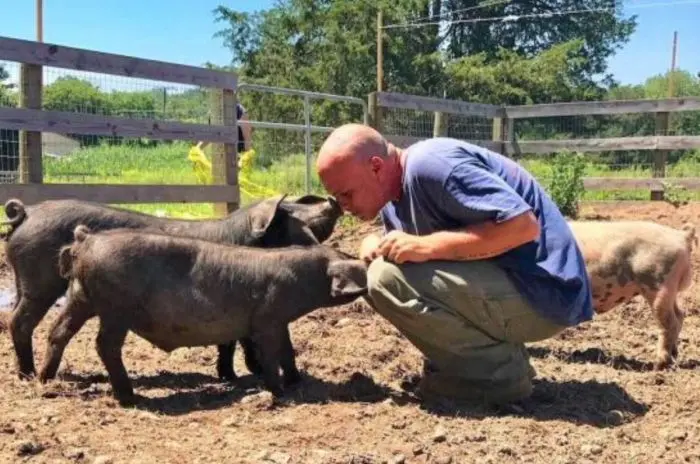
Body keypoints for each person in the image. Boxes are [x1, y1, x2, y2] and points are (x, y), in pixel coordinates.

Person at [315, 123, 593, 405]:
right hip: (519, 289)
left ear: (375, 167)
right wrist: (374, 241)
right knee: (376, 272)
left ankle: (500, 378)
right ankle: (484, 367)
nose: (343, 206)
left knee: (385, 279)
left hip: (545, 292)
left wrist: (426, 246)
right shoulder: (394, 194)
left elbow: (523, 226)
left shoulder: (432, 166)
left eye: (346, 194)